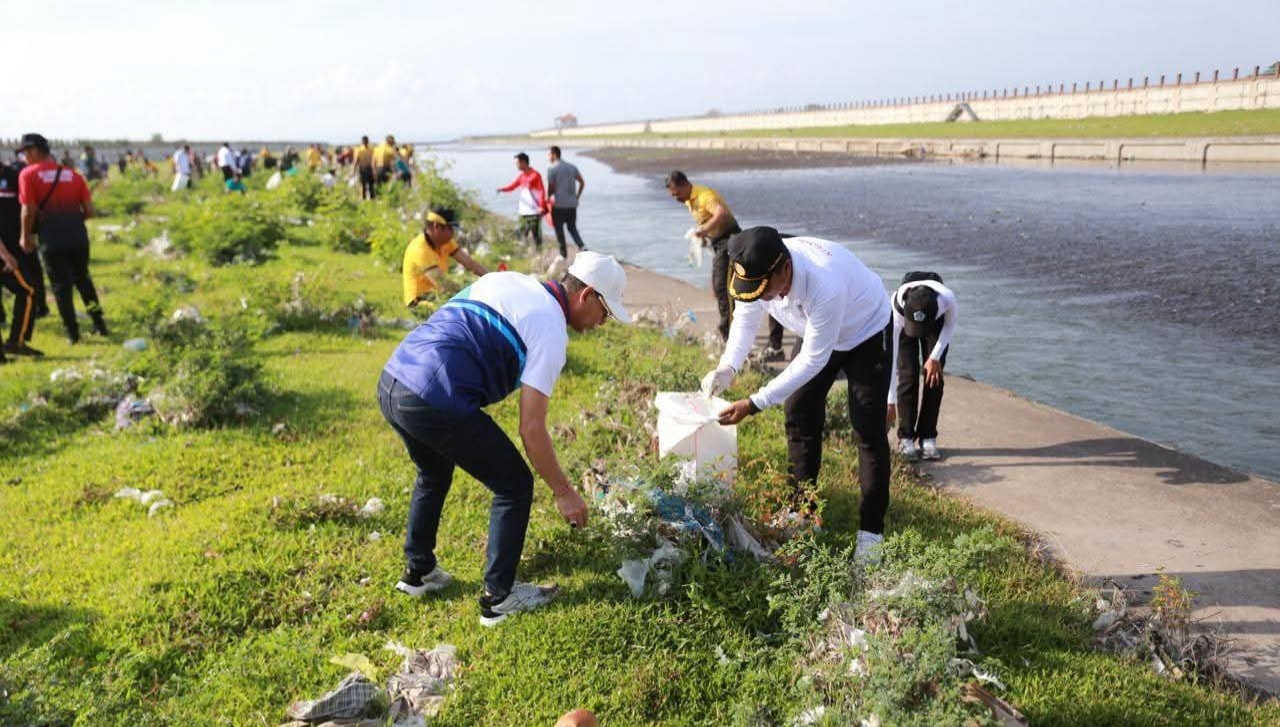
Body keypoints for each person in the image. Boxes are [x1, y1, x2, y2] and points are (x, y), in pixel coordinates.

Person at [379, 250, 632, 626]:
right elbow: (531, 429)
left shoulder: (509, 280)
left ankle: (419, 573)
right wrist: (564, 492)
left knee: (433, 473)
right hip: (434, 396)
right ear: (586, 295)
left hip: (393, 380)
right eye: (605, 312)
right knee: (514, 483)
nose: (602, 323)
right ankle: (500, 598)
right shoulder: (550, 329)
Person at [702, 227, 892, 564]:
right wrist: (727, 367)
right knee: (799, 412)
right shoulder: (757, 267)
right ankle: (804, 510)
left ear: (785, 270)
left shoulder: (824, 283)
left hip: (866, 331)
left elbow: (813, 359)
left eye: (765, 292)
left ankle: (871, 534)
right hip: (816, 329)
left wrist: (755, 402)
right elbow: (745, 320)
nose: (760, 298)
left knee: (867, 429)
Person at [665, 170, 784, 355]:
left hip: (730, 241)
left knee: (724, 289)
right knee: (719, 287)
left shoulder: (704, 196)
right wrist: (706, 236)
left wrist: (704, 230)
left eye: (676, 194)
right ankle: (734, 330)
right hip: (718, 243)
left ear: (683, 185)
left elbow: (721, 214)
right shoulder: (690, 200)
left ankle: (730, 335)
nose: (676, 199)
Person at [16, 133, 108, 344]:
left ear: (34, 151)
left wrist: (25, 236)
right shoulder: (73, 174)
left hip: (52, 238)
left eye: (25, 153)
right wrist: (71, 220)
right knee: (83, 279)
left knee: (60, 286)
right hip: (78, 236)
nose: (24, 158)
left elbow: (27, 210)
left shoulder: (28, 174)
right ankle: (100, 325)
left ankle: (73, 334)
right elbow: (90, 211)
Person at [888, 273, 958, 461]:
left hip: (935, 326)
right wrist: (890, 401)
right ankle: (906, 437)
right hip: (904, 323)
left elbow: (950, 327)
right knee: (908, 375)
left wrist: (934, 357)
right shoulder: (896, 308)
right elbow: (892, 356)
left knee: (934, 376)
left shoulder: (947, 300)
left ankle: (928, 436)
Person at [402, 207, 488, 308]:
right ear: (437, 227)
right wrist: (472, 295)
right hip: (420, 301)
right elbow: (442, 284)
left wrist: (493, 278)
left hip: (438, 295)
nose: (453, 234)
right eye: (450, 229)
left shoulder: (445, 242)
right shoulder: (420, 249)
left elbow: (469, 263)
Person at [0, 159, 40, 357]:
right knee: (28, 291)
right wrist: (6, 256)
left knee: (27, 290)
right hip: (5, 253)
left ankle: (15, 343)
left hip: (13, 250)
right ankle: (16, 342)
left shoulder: (14, 176)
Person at [496, 153, 546, 249]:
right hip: (523, 211)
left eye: (517, 163)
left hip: (534, 211)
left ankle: (539, 255)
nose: (516, 165)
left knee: (536, 235)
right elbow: (512, 186)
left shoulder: (535, 175)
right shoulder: (521, 176)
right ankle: (523, 253)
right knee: (523, 233)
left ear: (523, 162)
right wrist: (502, 189)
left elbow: (541, 191)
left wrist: (542, 207)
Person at [546, 146, 586, 257]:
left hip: (559, 204)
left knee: (559, 229)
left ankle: (563, 254)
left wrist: (547, 199)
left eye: (548, 155)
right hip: (572, 204)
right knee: (572, 227)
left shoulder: (552, 169)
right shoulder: (572, 167)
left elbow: (551, 187)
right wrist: (577, 197)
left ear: (554, 154)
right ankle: (582, 247)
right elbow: (582, 182)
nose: (548, 157)